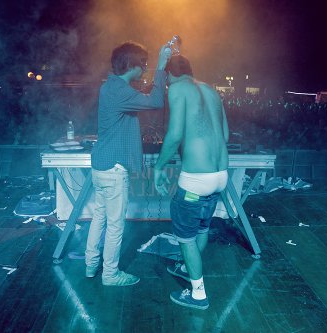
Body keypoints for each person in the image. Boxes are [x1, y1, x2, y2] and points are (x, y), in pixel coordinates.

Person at [85, 41, 171, 286]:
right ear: (132, 64)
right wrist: (162, 65)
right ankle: (110, 275)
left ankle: (91, 265)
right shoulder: (120, 91)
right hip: (114, 168)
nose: (145, 68)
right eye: (143, 64)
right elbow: (156, 101)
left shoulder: (110, 87)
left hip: (101, 165)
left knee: (99, 218)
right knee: (114, 225)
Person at [154, 55, 229, 309]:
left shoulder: (176, 89)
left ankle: (198, 294)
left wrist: (159, 166)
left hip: (196, 180)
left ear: (168, 75)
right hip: (220, 176)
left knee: (185, 238)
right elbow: (226, 134)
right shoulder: (211, 91)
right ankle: (188, 270)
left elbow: (174, 135)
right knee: (201, 229)